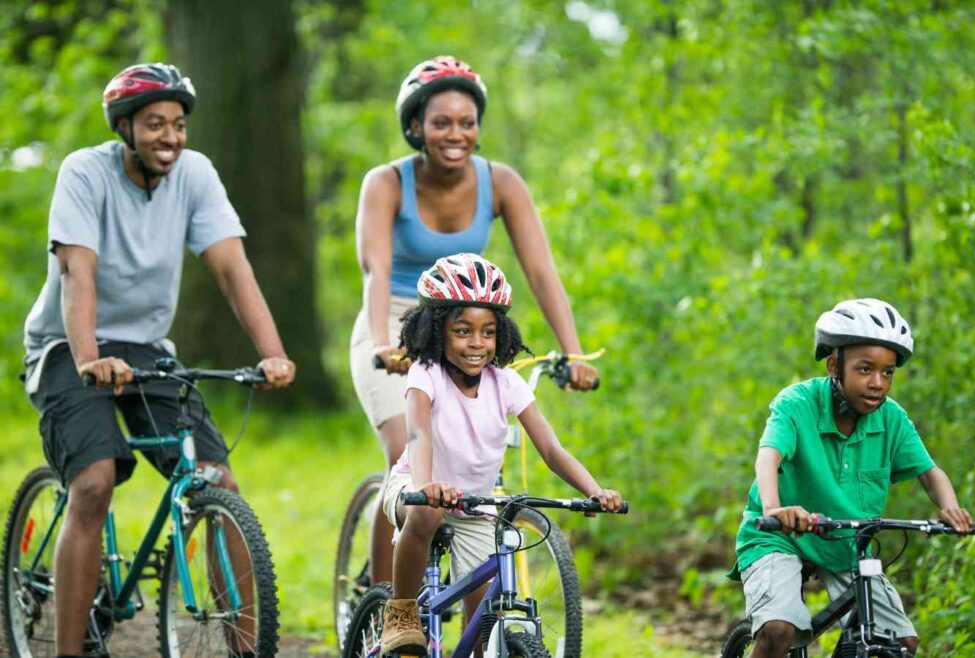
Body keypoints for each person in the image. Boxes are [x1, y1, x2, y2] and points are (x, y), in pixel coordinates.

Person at [21, 62, 295, 658]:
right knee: (93, 482)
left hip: (145, 349)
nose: (170, 136)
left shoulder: (194, 175)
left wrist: (272, 353)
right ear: (124, 127)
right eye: (154, 124)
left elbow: (231, 267)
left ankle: (250, 649)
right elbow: (77, 272)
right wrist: (90, 357)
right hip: (68, 346)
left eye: (177, 124)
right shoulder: (85, 173)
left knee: (218, 481)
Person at [352, 55, 600, 584]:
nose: (455, 134)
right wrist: (381, 342)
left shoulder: (501, 182)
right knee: (407, 453)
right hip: (399, 320)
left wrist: (573, 352)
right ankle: (381, 599)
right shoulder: (386, 182)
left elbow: (540, 270)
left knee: (473, 474)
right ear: (415, 125)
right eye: (441, 122)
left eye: (467, 122)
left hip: (466, 319)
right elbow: (377, 269)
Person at [376, 254, 621, 655]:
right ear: (438, 332)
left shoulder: (506, 383)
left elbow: (550, 448)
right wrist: (426, 486)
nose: (477, 343)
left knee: (484, 629)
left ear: (501, 334)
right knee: (426, 514)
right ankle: (401, 614)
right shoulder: (426, 373)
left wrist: (594, 489)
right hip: (414, 488)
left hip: (474, 506)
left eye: (488, 332)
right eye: (463, 331)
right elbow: (418, 434)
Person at [728, 298, 974, 658]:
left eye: (887, 372)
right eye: (865, 369)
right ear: (834, 365)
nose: (877, 383)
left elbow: (929, 472)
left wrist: (950, 508)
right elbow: (769, 457)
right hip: (779, 536)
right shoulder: (796, 403)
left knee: (900, 642)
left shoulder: (891, 419)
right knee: (779, 630)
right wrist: (775, 508)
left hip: (846, 545)